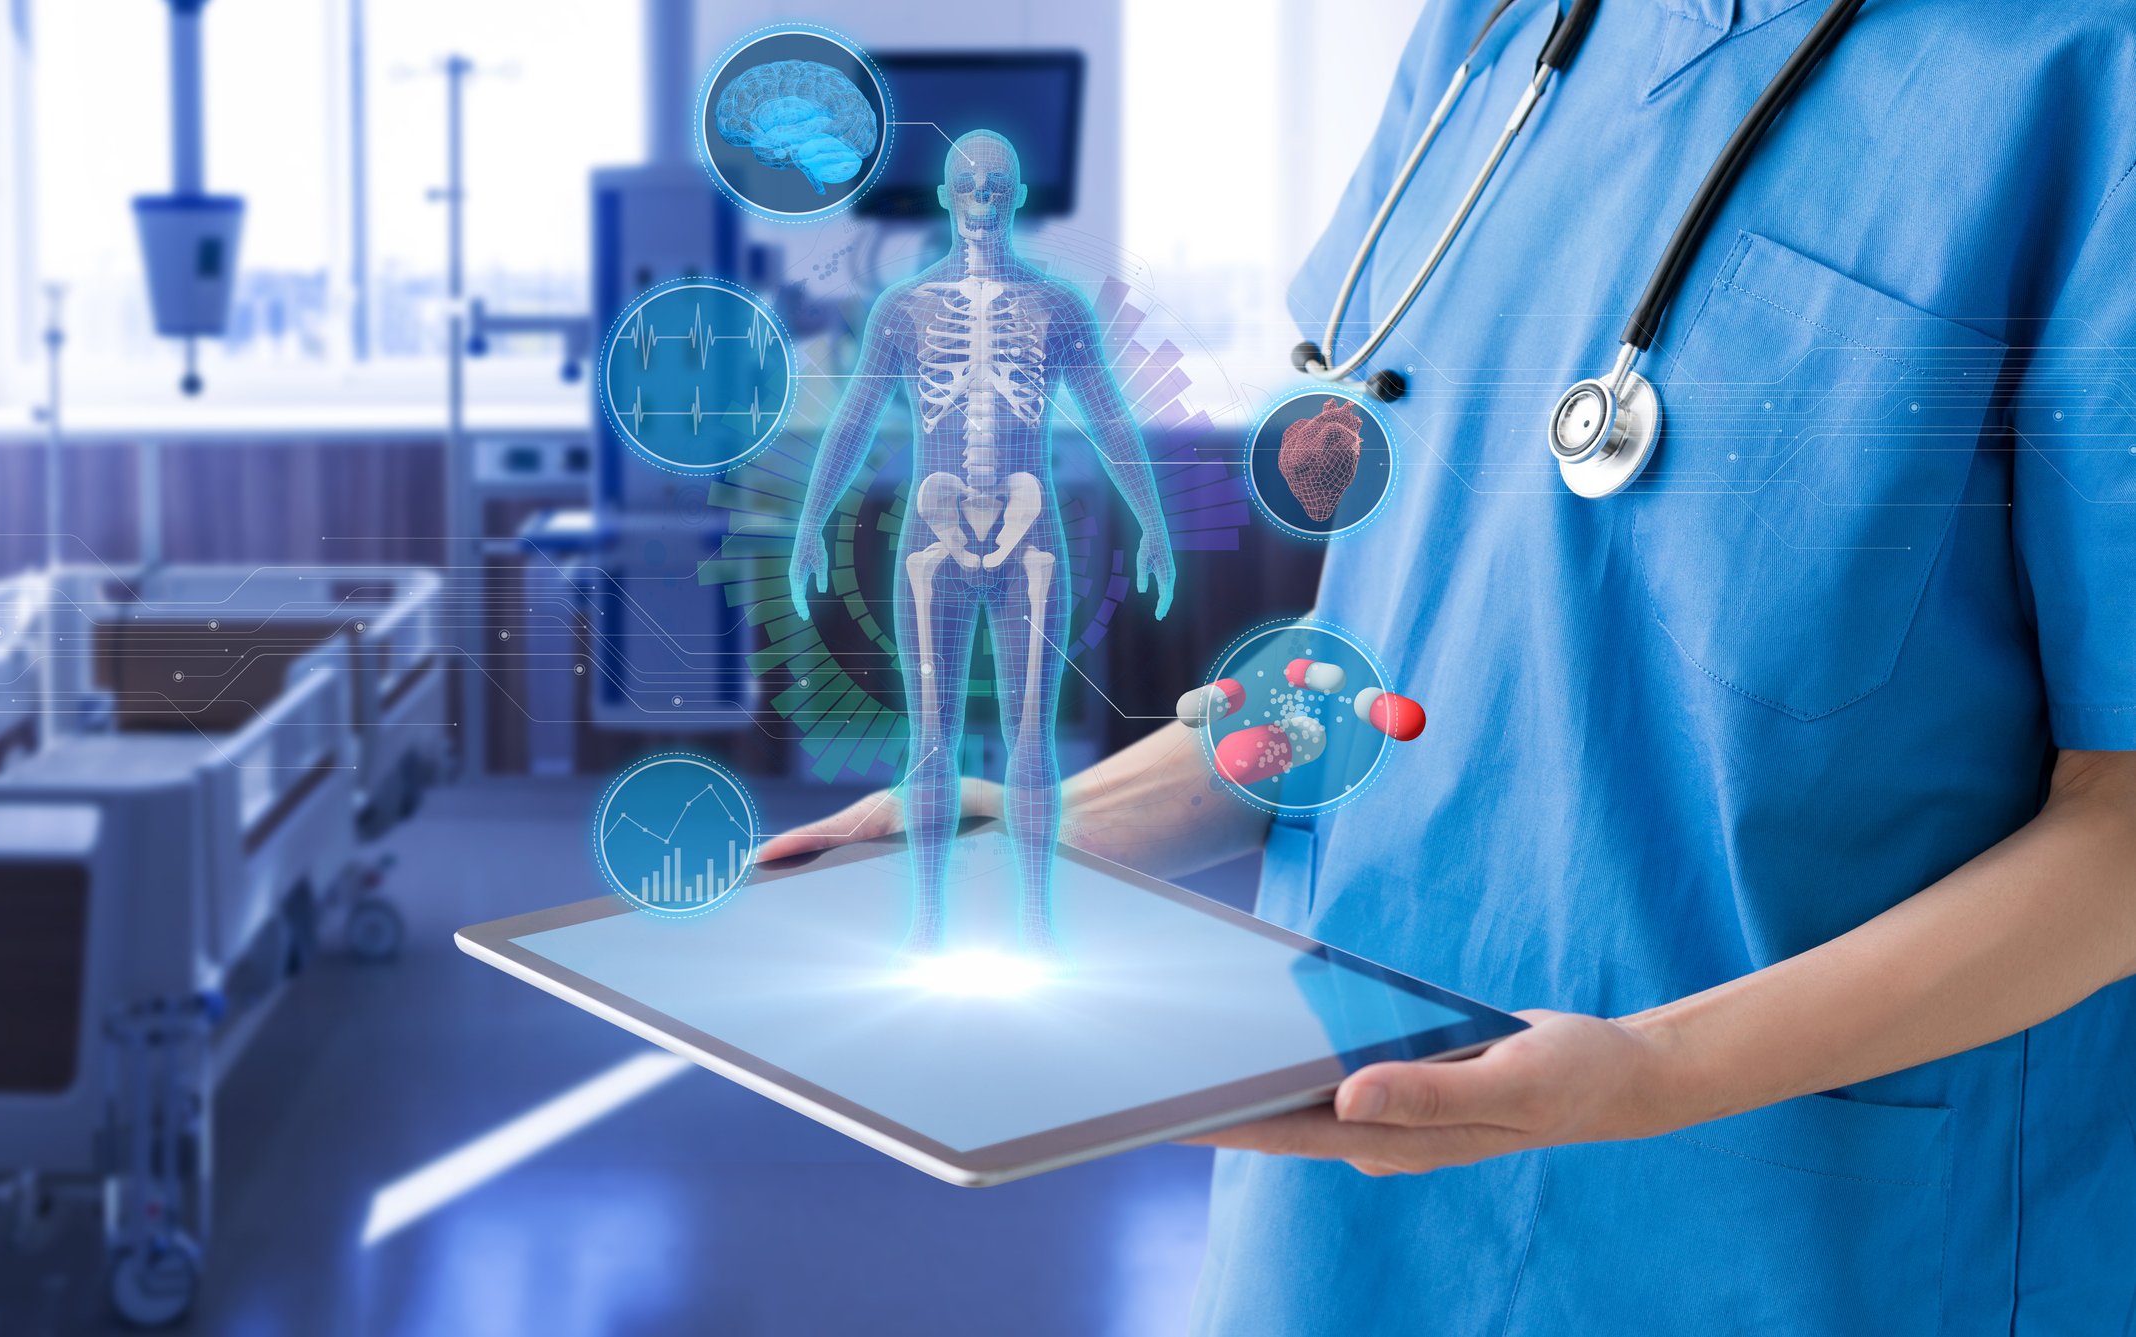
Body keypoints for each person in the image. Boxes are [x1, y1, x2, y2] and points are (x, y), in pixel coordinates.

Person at [763, 0, 2136, 1329]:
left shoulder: (2087, 73)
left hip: (1797, 1229)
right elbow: (1418, 620)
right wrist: (1075, 826)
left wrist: (1657, 1071)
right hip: (1351, 1205)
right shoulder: (1495, 32)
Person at [786, 130, 1175, 955]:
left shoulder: (1056, 308)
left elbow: (1108, 415)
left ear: (1020, 192)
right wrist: (811, 521)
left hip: (1030, 542)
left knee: (1032, 739)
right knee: (930, 739)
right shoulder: (905, 310)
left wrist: (1153, 521)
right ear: (947, 196)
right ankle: (927, 924)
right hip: (932, 545)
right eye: (970, 181)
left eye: (999, 180)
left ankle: (1036, 923)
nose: (984, 193)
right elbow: (855, 415)